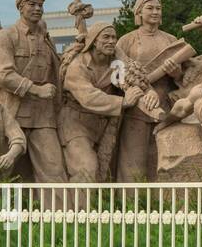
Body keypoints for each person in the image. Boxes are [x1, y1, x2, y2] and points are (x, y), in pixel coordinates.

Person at [0, 0, 67, 182]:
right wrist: (36, 89)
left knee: (54, 171)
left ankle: (59, 213)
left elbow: (58, 70)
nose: (38, 8)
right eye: (32, 4)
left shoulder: (48, 40)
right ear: (20, 8)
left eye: (40, 5)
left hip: (44, 116)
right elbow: (3, 75)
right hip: (12, 112)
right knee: (4, 171)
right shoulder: (5, 36)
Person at [114, 0, 185, 181]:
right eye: (150, 8)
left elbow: (183, 77)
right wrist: (137, 91)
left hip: (166, 106)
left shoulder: (170, 40)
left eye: (158, 8)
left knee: (162, 158)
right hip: (136, 107)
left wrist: (176, 72)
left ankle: (163, 204)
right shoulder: (126, 41)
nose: (155, 12)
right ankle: (130, 206)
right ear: (139, 11)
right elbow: (116, 74)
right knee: (133, 160)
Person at [59, 23, 142, 180]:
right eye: (106, 37)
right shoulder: (78, 65)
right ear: (94, 42)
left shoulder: (116, 64)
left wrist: (147, 93)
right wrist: (123, 102)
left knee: (103, 174)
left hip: (101, 126)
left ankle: (95, 205)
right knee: (86, 168)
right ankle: (78, 206)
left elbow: (131, 81)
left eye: (113, 37)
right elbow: (88, 96)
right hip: (75, 124)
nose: (111, 41)